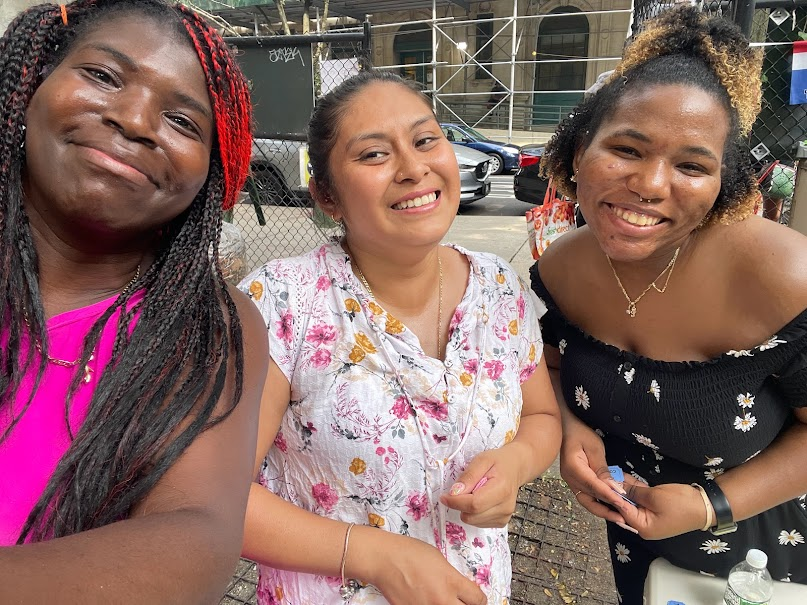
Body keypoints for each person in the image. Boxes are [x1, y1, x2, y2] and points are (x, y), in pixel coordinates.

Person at [239, 70, 562, 604]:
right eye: (373, 155)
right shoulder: (281, 303)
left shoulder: (499, 288)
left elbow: (542, 418)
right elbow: (213, 498)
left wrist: (516, 464)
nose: (414, 169)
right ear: (326, 195)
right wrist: (374, 555)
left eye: (425, 140)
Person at [531, 6, 807, 602]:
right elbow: (552, 367)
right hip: (642, 551)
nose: (652, 185)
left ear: (725, 181)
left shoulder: (785, 278)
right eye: (627, 150)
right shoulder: (558, 270)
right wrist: (569, 428)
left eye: (691, 165)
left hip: (770, 563)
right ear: (580, 148)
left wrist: (712, 504)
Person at [0, 1, 268, 602]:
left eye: (183, 121)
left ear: (211, 173)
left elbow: (195, 535)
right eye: (103, 76)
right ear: (33, 79)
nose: (136, 120)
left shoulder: (208, 328)